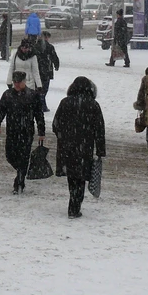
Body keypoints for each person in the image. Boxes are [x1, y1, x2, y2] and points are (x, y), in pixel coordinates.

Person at [52, 76, 106, 218]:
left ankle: (73, 203)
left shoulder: (65, 102)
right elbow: (99, 129)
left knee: (72, 176)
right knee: (81, 177)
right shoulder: (93, 105)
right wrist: (100, 150)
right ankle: (75, 206)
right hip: (85, 148)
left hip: (67, 147)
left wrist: (63, 136)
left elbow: (55, 124)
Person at [0, 70, 46, 195]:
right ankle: (21, 171)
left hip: (26, 131)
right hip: (12, 131)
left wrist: (41, 131)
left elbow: (39, 114)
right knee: (10, 155)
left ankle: (19, 182)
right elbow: (0, 109)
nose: (16, 85)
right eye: (15, 82)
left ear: (24, 82)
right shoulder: (7, 95)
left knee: (24, 157)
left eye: (19, 82)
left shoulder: (33, 95)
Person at [37, 31, 61, 112]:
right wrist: (56, 65)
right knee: (44, 89)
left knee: (39, 88)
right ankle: (42, 105)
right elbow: (54, 57)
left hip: (38, 71)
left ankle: (40, 104)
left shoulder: (35, 46)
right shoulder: (50, 47)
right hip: (46, 71)